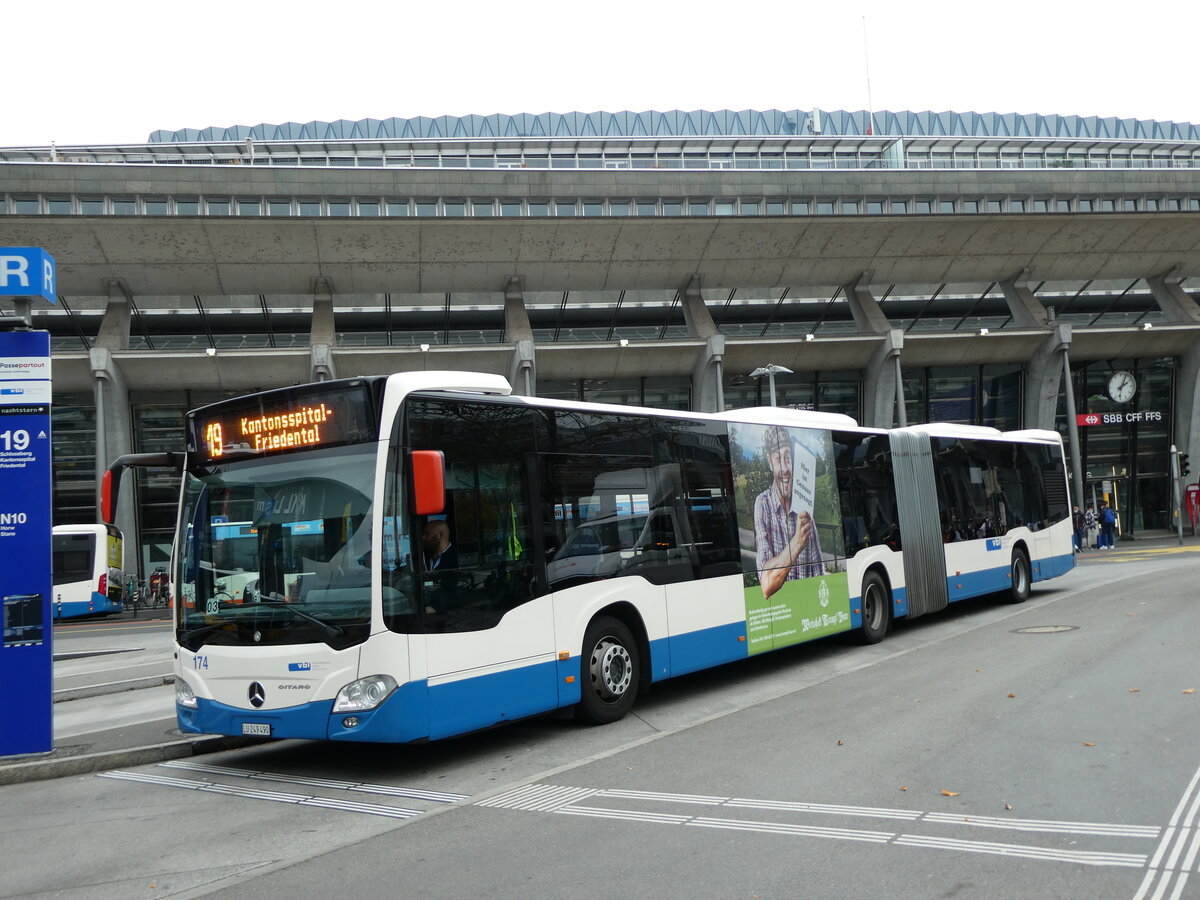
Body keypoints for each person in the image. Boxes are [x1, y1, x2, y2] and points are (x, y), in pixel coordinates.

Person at [753, 425, 824, 600]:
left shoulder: (804, 507)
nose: (785, 468)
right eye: (778, 459)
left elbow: (819, 572)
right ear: (770, 462)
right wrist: (797, 543)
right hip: (782, 610)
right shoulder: (763, 505)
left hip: (806, 605)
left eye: (787, 458)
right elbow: (766, 584)